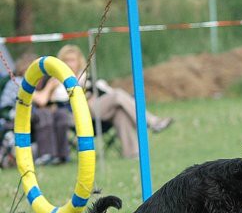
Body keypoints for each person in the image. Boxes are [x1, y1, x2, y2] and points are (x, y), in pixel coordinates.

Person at [35, 45, 173, 159]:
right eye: (67, 60)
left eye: (73, 60)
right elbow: (42, 100)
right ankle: (151, 121)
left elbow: (101, 92)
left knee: (119, 110)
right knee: (118, 95)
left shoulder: (86, 77)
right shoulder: (55, 80)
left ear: (79, 61)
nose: (70, 64)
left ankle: (132, 153)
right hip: (75, 114)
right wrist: (42, 88)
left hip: (96, 109)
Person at [0, 53, 71, 165]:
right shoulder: (18, 81)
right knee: (44, 114)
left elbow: (46, 103)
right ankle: (45, 155)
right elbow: (41, 100)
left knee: (60, 114)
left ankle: (62, 155)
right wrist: (50, 86)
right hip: (10, 118)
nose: (40, 79)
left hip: (31, 116)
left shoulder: (36, 85)